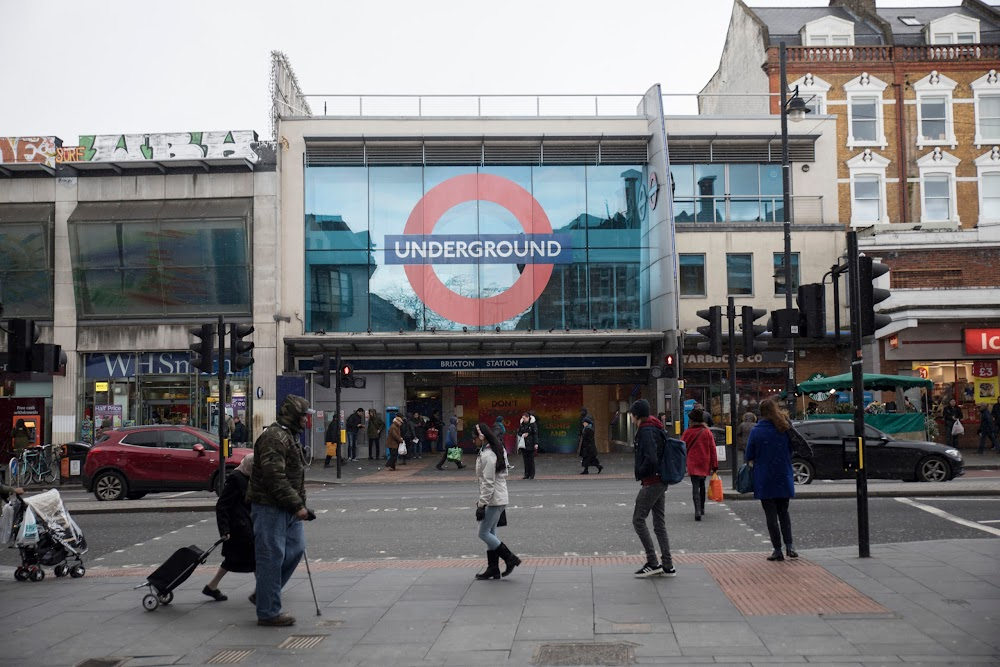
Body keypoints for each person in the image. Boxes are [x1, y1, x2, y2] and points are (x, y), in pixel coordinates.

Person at [247, 394, 312, 626]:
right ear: (293, 415)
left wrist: (298, 504)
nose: (306, 420)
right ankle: (268, 612)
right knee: (271, 558)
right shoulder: (274, 438)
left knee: (295, 549)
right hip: (270, 507)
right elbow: (275, 477)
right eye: (303, 415)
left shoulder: (288, 435)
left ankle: (264, 592)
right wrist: (297, 505)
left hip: (287, 507)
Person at [745, 397, 798, 562]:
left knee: (771, 515)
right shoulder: (784, 427)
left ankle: (777, 550)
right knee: (784, 512)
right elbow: (791, 449)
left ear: (761, 413)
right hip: (782, 474)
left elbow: (749, 455)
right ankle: (790, 546)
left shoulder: (757, 431)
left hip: (765, 477)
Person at [628, 399, 675, 578]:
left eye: (632, 414)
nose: (631, 418)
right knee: (658, 523)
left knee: (638, 520)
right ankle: (668, 564)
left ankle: (653, 562)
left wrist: (641, 471)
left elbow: (651, 458)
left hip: (652, 481)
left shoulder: (646, 431)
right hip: (661, 480)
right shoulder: (656, 427)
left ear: (637, 415)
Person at [203, 453, 255, 602]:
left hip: (244, 525)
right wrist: (224, 530)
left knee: (232, 560)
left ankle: (211, 587)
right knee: (256, 557)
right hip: (238, 527)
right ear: (248, 465)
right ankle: (263, 590)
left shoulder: (247, 477)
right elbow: (222, 505)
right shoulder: (236, 479)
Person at [473, 422, 521, 580]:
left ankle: (510, 558)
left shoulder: (488, 455)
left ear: (482, 437)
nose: (474, 440)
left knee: (483, 533)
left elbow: (488, 482)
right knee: (491, 532)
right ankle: (493, 568)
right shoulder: (494, 450)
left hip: (494, 500)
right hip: (499, 498)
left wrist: (481, 504)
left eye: (475, 437)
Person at [682, 408, 718, 521]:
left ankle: (697, 510)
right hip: (704, 461)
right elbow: (713, 449)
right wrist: (714, 465)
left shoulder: (687, 432)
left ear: (692, 420)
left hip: (692, 461)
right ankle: (702, 508)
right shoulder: (707, 432)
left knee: (695, 486)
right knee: (702, 485)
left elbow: (682, 448)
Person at [517, 412, 538, 480]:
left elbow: (535, 434)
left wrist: (536, 443)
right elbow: (519, 432)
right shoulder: (522, 424)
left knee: (531, 460)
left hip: (530, 444)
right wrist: (523, 434)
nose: (523, 419)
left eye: (524, 418)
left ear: (528, 417)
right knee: (525, 460)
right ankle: (526, 474)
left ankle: (532, 474)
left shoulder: (533, 424)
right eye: (523, 418)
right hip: (524, 444)